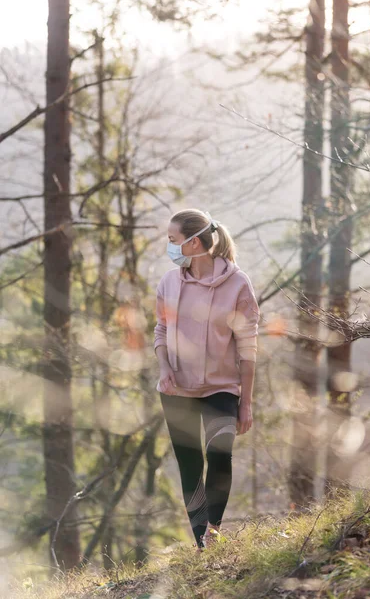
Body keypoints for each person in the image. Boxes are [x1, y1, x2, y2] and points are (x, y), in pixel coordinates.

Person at [154, 208, 259, 550]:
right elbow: (161, 329)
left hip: (222, 387)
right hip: (177, 390)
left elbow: (248, 349)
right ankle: (203, 542)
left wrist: (246, 403)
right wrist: (164, 367)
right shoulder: (169, 282)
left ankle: (214, 528)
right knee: (190, 463)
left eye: (172, 240)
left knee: (219, 455)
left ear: (193, 242)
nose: (168, 247)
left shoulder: (238, 284)